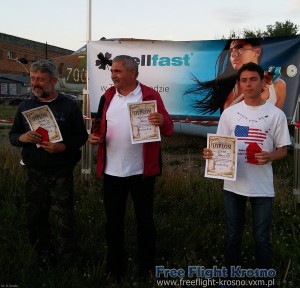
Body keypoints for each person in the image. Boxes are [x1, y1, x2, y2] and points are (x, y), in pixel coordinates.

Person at [88, 55, 173, 282]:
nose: (112, 75)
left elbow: (169, 129)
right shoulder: (107, 96)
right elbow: (97, 127)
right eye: (112, 71)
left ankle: (147, 268)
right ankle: (115, 268)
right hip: (112, 172)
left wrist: (162, 122)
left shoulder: (151, 96)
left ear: (132, 73)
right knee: (113, 223)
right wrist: (94, 137)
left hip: (141, 172)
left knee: (145, 222)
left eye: (117, 71)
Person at [203, 63, 290, 276]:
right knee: (233, 235)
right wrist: (210, 154)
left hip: (262, 187)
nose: (248, 84)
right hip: (233, 185)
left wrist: (270, 156)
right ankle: (231, 275)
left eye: (253, 79)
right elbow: (220, 144)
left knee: (262, 237)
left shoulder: (275, 114)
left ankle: (264, 278)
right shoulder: (230, 113)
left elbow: (283, 150)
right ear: (239, 84)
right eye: (244, 80)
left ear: (262, 82)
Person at [9, 59, 88, 266]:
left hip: (61, 172)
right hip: (34, 172)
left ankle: (69, 260)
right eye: (33, 78)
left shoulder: (68, 105)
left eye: (41, 80)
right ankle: (42, 256)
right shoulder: (26, 106)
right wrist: (22, 138)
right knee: (35, 217)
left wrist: (64, 147)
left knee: (64, 217)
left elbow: (81, 136)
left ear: (54, 81)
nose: (36, 83)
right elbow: (13, 135)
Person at [185, 38, 286, 114]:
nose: (233, 54)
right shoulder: (228, 85)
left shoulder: (278, 86)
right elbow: (228, 116)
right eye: (231, 51)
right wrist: (248, 93)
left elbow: (275, 123)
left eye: (240, 47)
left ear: (257, 51)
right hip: (234, 140)